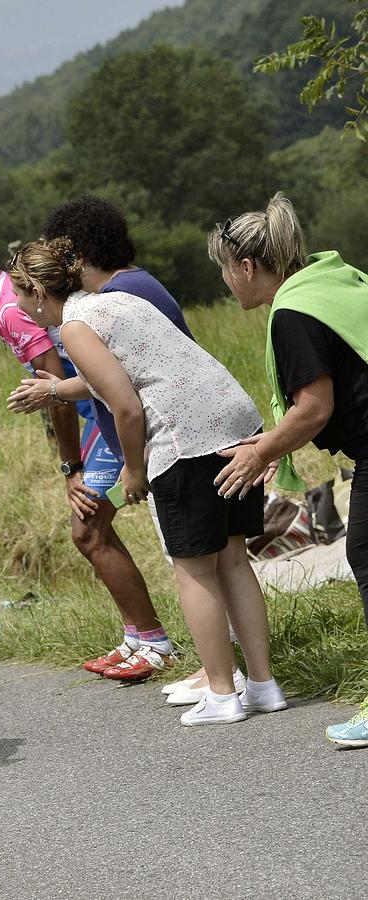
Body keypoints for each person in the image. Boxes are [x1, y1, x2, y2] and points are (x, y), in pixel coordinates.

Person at [9, 237, 285, 726]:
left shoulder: (75, 326)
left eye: (21, 298)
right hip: (237, 422)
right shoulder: (116, 300)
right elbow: (114, 377)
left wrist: (134, 471)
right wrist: (53, 388)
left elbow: (126, 406)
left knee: (194, 570)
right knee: (233, 559)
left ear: (36, 291)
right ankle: (263, 686)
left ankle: (223, 694)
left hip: (184, 438)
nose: (23, 310)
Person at [0, 232, 177, 681]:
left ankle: (154, 642)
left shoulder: (10, 308)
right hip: (100, 413)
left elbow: (52, 383)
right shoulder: (8, 300)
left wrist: (71, 465)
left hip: (110, 411)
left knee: (87, 531)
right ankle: (139, 638)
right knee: (91, 532)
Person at [207, 192, 368, 746]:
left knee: (365, 554)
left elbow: (315, 408)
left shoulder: (293, 313)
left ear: (248, 267)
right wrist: (271, 440)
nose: (227, 284)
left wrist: (260, 452)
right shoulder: (332, 281)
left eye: (227, 271)